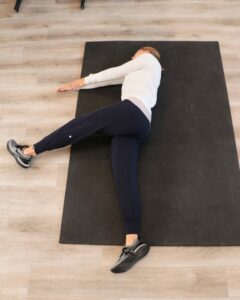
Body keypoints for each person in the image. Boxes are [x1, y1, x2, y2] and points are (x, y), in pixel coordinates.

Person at [7, 46, 162, 273]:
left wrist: (84, 78)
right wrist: (78, 84)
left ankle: (28, 152)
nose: (133, 56)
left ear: (145, 53)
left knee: (80, 125)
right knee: (124, 179)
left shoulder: (149, 59)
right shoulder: (144, 74)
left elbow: (116, 70)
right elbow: (111, 79)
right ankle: (133, 242)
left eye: (136, 53)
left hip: (132, 111)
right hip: (140, 124)